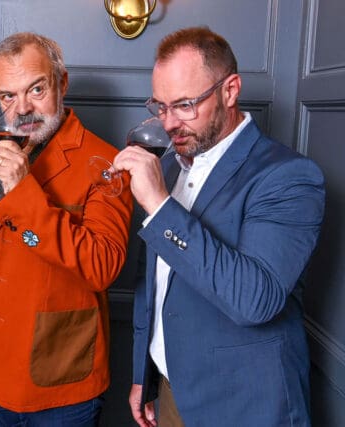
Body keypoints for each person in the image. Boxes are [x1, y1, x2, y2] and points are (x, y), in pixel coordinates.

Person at [112, 27, 325, 427]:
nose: (168, 123)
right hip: (172, 392)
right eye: (160, 106)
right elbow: (151, 280)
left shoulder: (289, 177)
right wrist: (144, 375)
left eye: (184, 105)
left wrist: (159, 206)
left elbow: (255, 300)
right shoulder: (168, 166)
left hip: (245, 405)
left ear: (230, 90)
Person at [0, 32, 133, 425]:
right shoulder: (2, 148)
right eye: (8, 96)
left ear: (62, 83)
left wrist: (23, 189)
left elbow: (102, 265)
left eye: (36, 89)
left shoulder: (106, 163)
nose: (22, 108)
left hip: (59, 378)